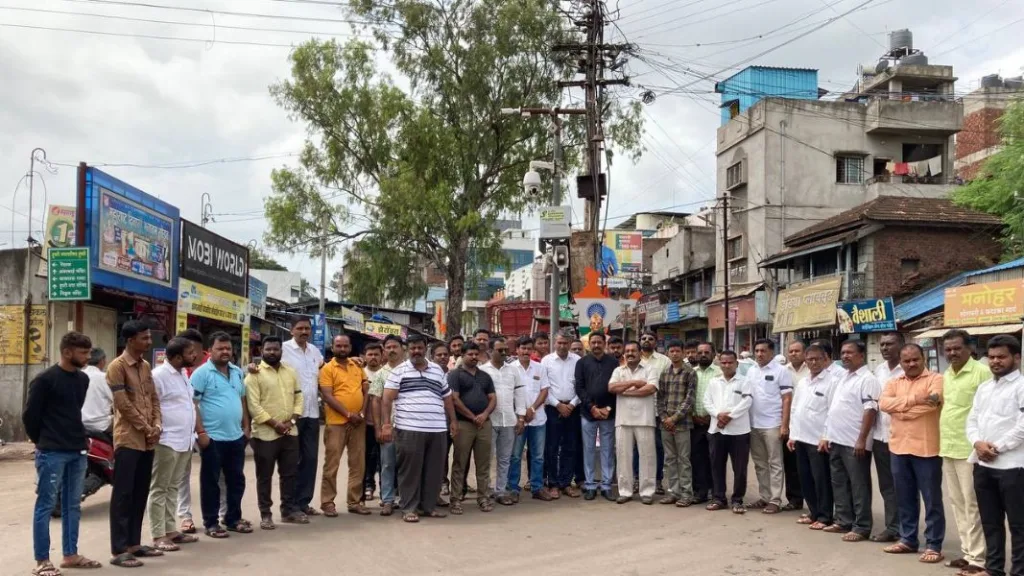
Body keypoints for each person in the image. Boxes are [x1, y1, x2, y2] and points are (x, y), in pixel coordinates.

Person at [24, 331, 102, 575]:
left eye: (89, 352)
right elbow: (30, 417)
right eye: (83, 352)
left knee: (72, 505)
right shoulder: (44, 380)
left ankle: (70, 555)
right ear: (67, 352)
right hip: (51, 452)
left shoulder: (83, 380)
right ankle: (42, 561)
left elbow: (73, 411)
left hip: (77, 450)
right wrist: (43, 441)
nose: (87, 357)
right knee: (46, 505)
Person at [879, 343, 945, 564]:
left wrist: (900, 410)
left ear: (923, 358)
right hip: (898, 448)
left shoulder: (936, 379)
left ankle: (934, 544)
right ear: (901, 362)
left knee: (932, 499)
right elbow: (884, 404)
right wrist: (915, 400)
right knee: (904, 497)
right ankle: (908, 540)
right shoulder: (894, 382)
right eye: (906, 361)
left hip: (927, 449)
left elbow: (933, 402)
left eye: (915, 359)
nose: (911, 364)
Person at [381, 334, 459, 523]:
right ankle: (409, 508)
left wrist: (453, 421)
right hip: (409, 428)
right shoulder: (399, 371)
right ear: (408, 350)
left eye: (420, 348)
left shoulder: (437, 371)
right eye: (413, 348)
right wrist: (386, 425)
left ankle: (428, 507)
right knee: (410, 470)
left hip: (437, 429)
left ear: (426, 349)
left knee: (434, 470)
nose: (416, 351)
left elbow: (447, 397)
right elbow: (387, 399)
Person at [107, 320, 163, 567]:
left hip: (148, 440)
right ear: (130, 340)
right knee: (123, 494)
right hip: (128, 438)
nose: (149, 342)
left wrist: (157, 425)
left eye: (149, 337)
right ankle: (119, 549)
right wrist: (146, 428)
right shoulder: (117, 367)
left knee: (141, 491)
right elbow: (123, 404)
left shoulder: (146, 365)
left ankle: (134, 543)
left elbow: (154, 398)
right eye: (145, 338)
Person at [967, 334, 1024, 576]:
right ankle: (993, 569)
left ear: (1016, 358)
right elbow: (972, 420)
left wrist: (996, 448)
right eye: (991, 357)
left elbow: (1022, 427)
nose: (995, 361)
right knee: (990, 522)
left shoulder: (1021, 387)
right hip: (983, 465)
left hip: (1013, 467)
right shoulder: (985, 388)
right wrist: (977, 443)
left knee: (1019, 525)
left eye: (1001, 357)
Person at [191, 332, 251, 539]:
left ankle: (232, 519)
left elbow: (242, 400)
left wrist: (246, 427)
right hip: (212, 438)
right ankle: (211, 523)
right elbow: (192, 405)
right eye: (220, 348)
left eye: (228, 348)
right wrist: (201, 432)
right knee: (211, 483)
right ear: (210, 351)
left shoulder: (237, 372)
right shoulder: (201, 374)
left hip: (236, 437)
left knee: (236, 481)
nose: (225, 352)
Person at [941, 329, 990, 575]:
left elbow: (988, 411)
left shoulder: (982, 372)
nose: (952, 353)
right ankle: (967, 552)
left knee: (973, 505)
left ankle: (979, 558)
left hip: (970, 450)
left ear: (969, 348)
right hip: (948, 446)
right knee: (957, 503)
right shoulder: (947, 374)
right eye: (948, 349)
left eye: (957, 348)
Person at [244, 336, 306, 530]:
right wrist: (275, 424)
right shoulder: (254, 375)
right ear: (261, 351)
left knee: (289, 474)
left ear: (281, 351)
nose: (272, 352)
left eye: (275, 349)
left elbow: (299, 397)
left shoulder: (291, 372)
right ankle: (266, 514)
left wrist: (292, 421)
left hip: (290, 432)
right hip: (265, 434)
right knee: (264, 476)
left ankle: (288, 511)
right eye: (268, 349)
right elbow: (253, 406)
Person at [822, 340, 880, 543]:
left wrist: (861, 439)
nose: (845, 356)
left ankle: (862, 526)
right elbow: (834, 408)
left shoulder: (867, 379)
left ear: (861, 355)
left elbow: (870, 410)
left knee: (859, 485)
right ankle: (843, 520)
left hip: (855, 442)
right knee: (839, 483)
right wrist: (827, 435)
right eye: (843, 352)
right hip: (837, 439)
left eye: (850, 352)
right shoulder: (844, 377)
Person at [148, 337, 200, 553]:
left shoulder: (183, 374)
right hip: (167, 440)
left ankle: (170, 530)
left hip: (185, 440)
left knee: (172, 487)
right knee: (160, 488)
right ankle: (158, 535)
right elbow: (151, 406)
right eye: (190, 353)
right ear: (178, 357)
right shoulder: (158, 376)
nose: (195, 355)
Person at [318, 334, 370, 517]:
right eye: (338, 346)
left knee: (358, 464)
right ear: (332, 347)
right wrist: (348, 414)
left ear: (350, 347)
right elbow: (327, 396)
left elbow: (366, 390)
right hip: (336, 424)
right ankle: (327, 502)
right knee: (331, 465)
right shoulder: (327, 369)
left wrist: (361, 413)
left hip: (358, 423)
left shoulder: (357, 366)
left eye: (345, 346)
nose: (342, 349)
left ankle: (354, 502)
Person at [786, 343, 837, 531]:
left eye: (817, 359)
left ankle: (825, 516)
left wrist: (826, 436)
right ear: (805, 361)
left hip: (818, 440)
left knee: (821, 480)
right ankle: (814, 512)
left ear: (825, 360)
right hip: (801, 438)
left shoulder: (832, 382)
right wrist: (792, 435)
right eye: (810, 359)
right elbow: (795, 409)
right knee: (805, 478)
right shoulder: (803, 382)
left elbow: (833, 412)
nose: (813, 362)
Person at [280, 317, 324, 517]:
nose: (304, 332)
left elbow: (325, 370)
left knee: (310, 459)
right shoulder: (283, 349)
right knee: (291, 462)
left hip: (312, 413)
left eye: (307, 328)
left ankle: (303, 502)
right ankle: (289, 506)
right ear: (292, 330)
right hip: (292, 415)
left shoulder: (314, 351)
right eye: (300, 328)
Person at [745, 339, 794, 514]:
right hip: (753, 424)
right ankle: (764, 496)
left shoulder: (781, 371)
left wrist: (784, 425)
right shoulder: (751, 371)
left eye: (763, 351)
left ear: (771, 352)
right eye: (757, 351)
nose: (759, 354)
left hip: (773, 423)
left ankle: (775, 500)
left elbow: (787, 399)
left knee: (775, 463)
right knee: (759, 463)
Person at [447, 342, 496, 514]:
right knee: (460, 463)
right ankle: (455, 499)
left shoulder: (485, 376)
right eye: (470, 354)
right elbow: (454, 399)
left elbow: (493, 398)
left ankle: (483, 498)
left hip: (484, 424)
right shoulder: (455, 375)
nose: (474, 357)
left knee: (483, 464)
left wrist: (484, 414)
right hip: (464, 424)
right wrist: (472, 416)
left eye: (476, 354)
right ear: (462, 355)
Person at [609, 341, 659, 505]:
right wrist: (634, 383)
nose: (630, 353)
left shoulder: (650, 369)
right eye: (628, 351)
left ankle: (647, 492)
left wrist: (625, 392)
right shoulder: (618, 370)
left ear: (640, 353)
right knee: (623, 457)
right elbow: (612, 388)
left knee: (647, 457)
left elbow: (650, 389)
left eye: (633, 351)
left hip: (645, 419)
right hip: (623, 420)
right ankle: (625, 491)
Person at [704, 350, 753, 514]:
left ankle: (737, 500)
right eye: (723, 362)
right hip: (716, 430)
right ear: (719, 364)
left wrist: (729, 416)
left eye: (730, 362)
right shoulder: (714, 382)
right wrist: (718, 414)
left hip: (739, 431)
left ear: (736, 363)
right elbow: (707, 401)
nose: (726, 365)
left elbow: (747, 401)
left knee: (740, 468)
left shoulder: (744, 381)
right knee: (716, 466)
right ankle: (719, 498)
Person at [479, 337, 527, 506]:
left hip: (509, 420)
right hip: (489, 421)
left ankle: (500, 491)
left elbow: (519, 395)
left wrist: (521, 417)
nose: (504, 353)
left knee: (505, 458)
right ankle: (485, 490)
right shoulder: (482, 371)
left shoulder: (513, 370)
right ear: (490, 351)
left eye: (506, 349)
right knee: (486, 458)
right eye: (500, 350)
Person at [574, 331, 619, 501]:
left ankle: (607, 485)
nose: (596, 345)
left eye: (599, 342)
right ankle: (590, 485)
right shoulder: (582, 363)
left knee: (608, 450)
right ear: (589, 344)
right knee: (589, 450)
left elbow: (616, 387)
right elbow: (579, 388)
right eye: (593, 342)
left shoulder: (613, 362)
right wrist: (592, 407)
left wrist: (608, 408)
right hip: (588, 413)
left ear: (604, 343)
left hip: (608, 413)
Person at [870, 331, 905, 544]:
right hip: (880, 437)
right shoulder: (879, 370)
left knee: (904, 485)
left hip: (902, 437)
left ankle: (906, 530)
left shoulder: (909, 369)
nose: (884, 348)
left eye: (889, 344)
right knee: (886, 486)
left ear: (901, 345)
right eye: (882, 344)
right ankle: (893, 527)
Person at [509, 337, 552, 501]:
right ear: (517, 350)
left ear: (532, 350)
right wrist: (521, 414)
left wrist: (532, 408)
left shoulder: (540, 368)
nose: (526, 351)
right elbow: (509, 393)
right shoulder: (510, 369)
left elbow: (544, 390)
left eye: (528, 348)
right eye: (523, 348)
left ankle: (537, 487)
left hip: (538, 418)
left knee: (538, 456)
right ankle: (513, 488)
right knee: (515, 455)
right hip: (517, 419)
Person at [541, 332, 582, 499]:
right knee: (552, 447)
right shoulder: (546, 361)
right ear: (554, 343)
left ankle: (566, 483)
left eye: (565, 343)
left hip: (573, 408)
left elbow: (581, 386)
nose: (562, 346)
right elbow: (544, 387)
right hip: (553, 408)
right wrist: (558, 405)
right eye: (559, 342)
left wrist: (572, 404)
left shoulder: (577, 361)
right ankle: (553, 483)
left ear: (570, 343)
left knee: (570, 447)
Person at [657, 340, 696, 506]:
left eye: (677, 351)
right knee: (670, 459)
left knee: (684, 460)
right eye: (671, 351)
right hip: (665, 424)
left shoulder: (690, 373)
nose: (674, 354)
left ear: (683, 353)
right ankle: (673, 492)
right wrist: (664, 418)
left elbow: (689, 399)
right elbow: (660, 398)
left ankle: (686, 494)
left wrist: (674, 418)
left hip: (683, 424)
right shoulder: (664, 373)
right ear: (667, 353)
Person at [369, 335, 405, 516]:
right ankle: (388, 500)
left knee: (407, 465)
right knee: (387, 465)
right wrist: (379, 427)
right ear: (384, 350)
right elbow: (375, 401)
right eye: (388, 347)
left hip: (409, 426)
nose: (392, 350)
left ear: (402, 349)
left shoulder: (410, 370)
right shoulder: (380, 374)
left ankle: (407, 499)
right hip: (388, 426)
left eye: (395, 346)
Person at [637, 330, 668, 495]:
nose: (646, 341)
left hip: (657, 410)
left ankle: (657, 480)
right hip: (636, 410)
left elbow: (668, 386)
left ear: (655, 342)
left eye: (650, 339)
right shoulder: (632, 358)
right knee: (637, 447)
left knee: (658, 447)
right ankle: (637, 479)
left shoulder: (664, 361)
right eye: (643, 338)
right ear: (639, 341)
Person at [691, 342, 722, 504]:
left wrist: (712, 416)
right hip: (695, 422)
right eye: (700, 352)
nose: (703, 355)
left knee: (715, 459)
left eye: (706, 352)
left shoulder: (719, 373)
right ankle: (700, 492)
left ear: (713, 354)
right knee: (697, 459)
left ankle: (716, 492)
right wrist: (692, 415)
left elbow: (724, 397)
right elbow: (687, 396)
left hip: (714, 423)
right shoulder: (691, 372)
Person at [430, 342, 455, 497]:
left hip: (453, 420)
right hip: (435, 423)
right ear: (432, 357)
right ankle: (442, 483)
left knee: (458, 454)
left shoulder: (454, 375)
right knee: (440, 455)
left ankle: (459, 486)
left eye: (445, 354)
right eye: (439, 355)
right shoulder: (428, 374)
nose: (443, 357)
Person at [362, 342, 384, 502]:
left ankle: (387, 490)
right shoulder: (360, 373)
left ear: (382, 356)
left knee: (385, 459)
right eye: (370, 354)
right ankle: (368, 486)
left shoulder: (387, 373)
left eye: (376, 354)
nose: (373, 357)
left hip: (384, 423)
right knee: (367, 457)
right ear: (364, 356)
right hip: (365, 424)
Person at [81, 348, 113, 441]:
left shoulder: (79, 375)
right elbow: (118, 400)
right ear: (102, 360)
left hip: (80, 422)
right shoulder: (104, 378)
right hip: (101, 425)